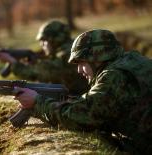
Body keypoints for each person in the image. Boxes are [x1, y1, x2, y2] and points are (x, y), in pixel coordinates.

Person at [13, 29, 152, 154]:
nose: (79, 70)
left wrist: (37, 102)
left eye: (81, 63)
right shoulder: (132, 60)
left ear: (96, 58)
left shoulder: (114, 76)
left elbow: (81, 116)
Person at [0, 20, 88, 95]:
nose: (42, 45)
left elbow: (35, 73)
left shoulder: (66, 55)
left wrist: (13, 63)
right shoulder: (71, 48)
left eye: (44, 40)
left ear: (54, 40)